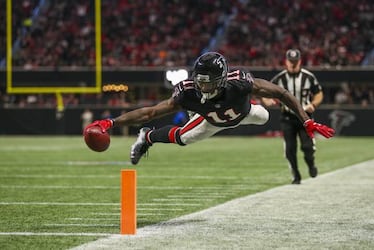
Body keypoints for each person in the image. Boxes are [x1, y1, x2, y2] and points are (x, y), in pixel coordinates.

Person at [85, 52, 334, 167]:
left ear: (223, 79)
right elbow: (150, 112)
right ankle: (146, 137)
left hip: (244, 112)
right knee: (184, 137)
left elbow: (281, 93)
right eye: (200, 80)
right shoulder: (189, 91)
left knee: (265, 116)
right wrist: (111, 123)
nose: (203, 86)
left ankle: (247, 108)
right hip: (212, 120)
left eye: (209, 81)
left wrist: (305, 120)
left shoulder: (241, 83)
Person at [265, 49, 324, 184]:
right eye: (290, 62)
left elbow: (319, 93)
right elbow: (265, 91)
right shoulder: (279, 78)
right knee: (290, 149)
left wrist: (313, 105)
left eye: (295, 62)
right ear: (286, 61)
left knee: (308, 147)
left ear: (300, 62)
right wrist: (267, 101)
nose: (293, 64)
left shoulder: (308, 77)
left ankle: (310, 164)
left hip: (304, 117)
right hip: (287, 117)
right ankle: (296, 176)